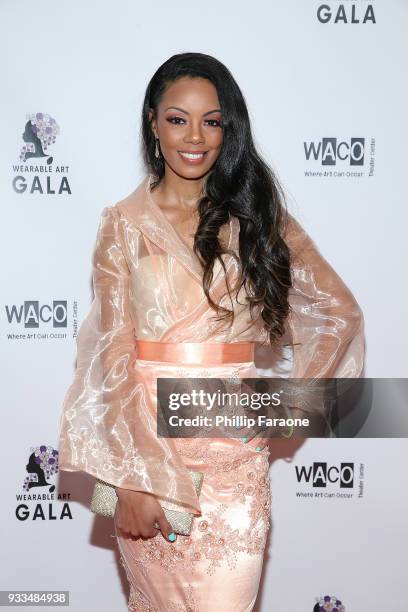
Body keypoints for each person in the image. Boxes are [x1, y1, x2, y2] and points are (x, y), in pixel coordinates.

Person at [58, 52, 365, 612]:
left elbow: (339, 313)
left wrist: (285, 408)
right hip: (150, 458)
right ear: (152, 122)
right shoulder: (122, 224)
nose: (194, 136)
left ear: (230, 128)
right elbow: (112, 357)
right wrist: (131, 477)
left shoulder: (257, 217)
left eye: (212, 120)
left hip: (232, 464)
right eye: (178, 118)